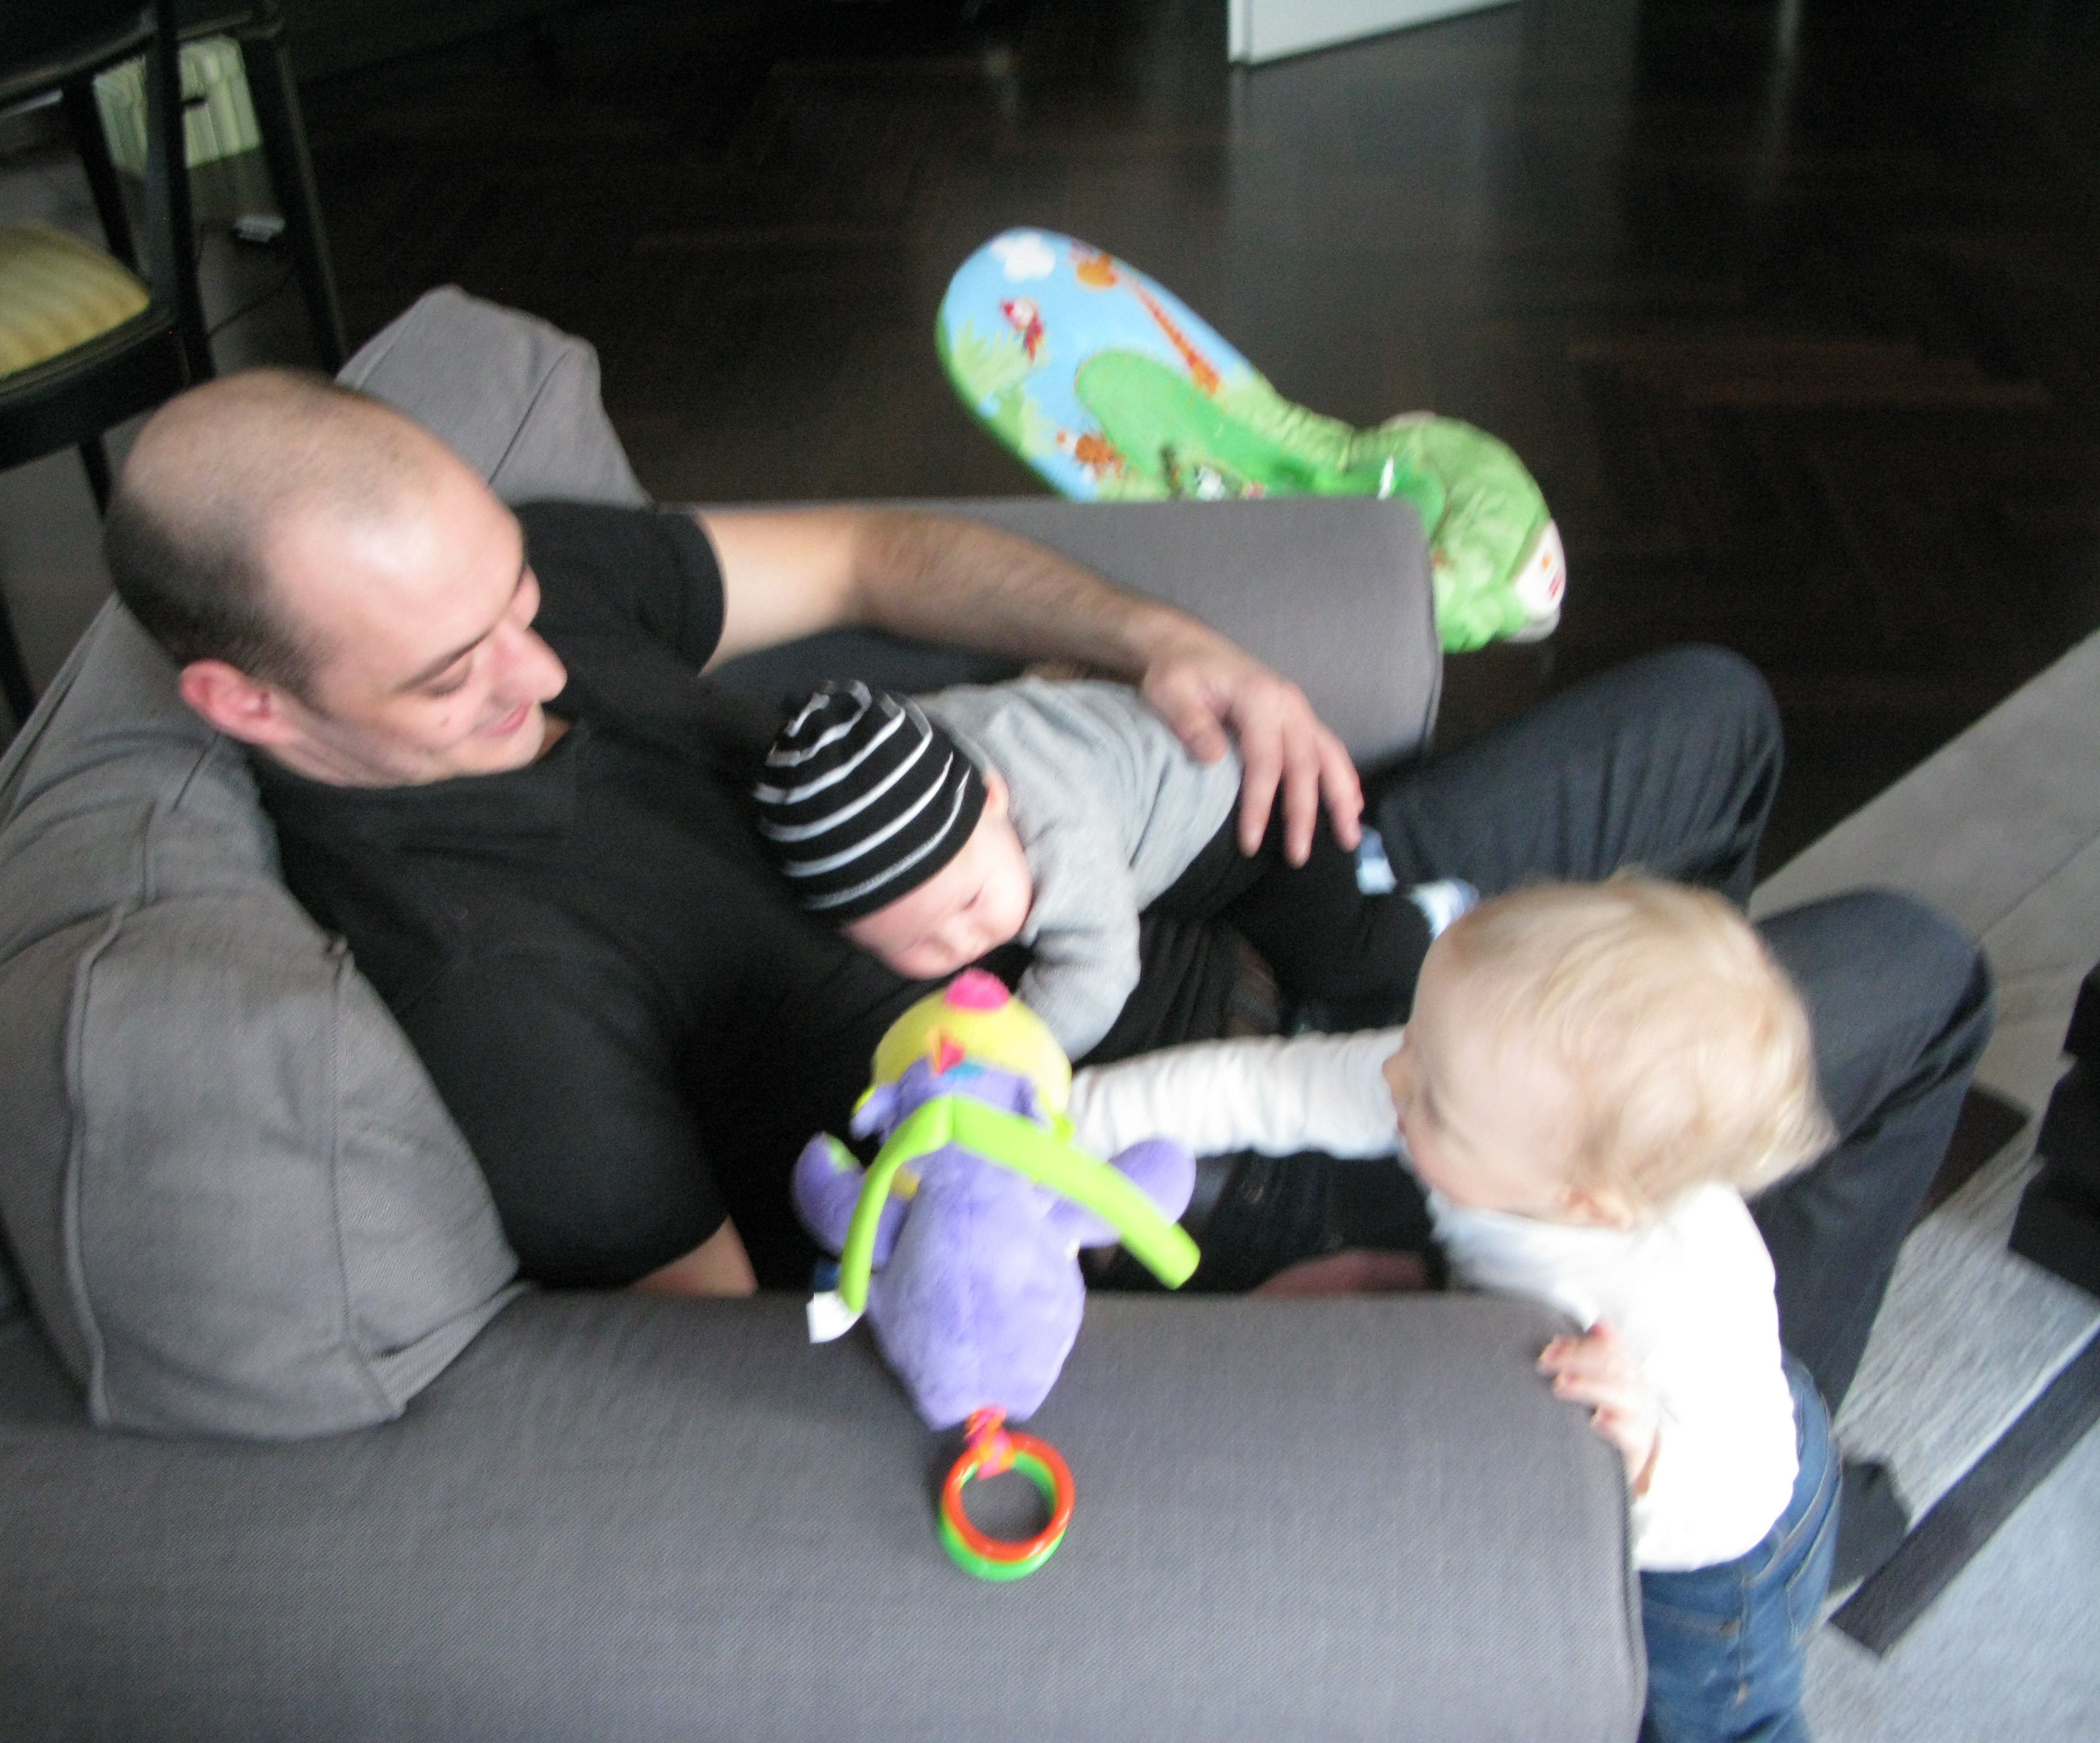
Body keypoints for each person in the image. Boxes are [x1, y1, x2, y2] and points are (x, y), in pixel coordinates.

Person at [105, 366, 1990, 1567]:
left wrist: (1167, 644)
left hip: (1262, 901)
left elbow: (873, 551)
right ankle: (1758, 1503)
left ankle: (1686, 1302)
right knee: (1915, 980)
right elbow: (730, 1369)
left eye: (521, 602)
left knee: (1714, 717)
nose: (539, 672)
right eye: (456, 674)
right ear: (243, 700)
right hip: (1215, 1170)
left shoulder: (514, 598)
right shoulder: (489, 991)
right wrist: (1200, 1349)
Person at [1069, 878, 1844, 1742]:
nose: (1391, 1076)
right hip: (1629, 1456)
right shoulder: (1460, 1083)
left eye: (1430, 1098)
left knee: (1721, 1722)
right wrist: (1069, 1124)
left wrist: (1647, 1470)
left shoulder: (1680, 1294)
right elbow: (1261, 1086)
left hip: (1716, 1543)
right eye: (1413, 1041)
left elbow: (1743, 1500)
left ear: (1583, 1200)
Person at [750, 676, 1475, 1059]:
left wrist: (1004, 1052)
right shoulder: (921, 748)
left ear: (995, 797)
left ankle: (1426, 913)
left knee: (1339, 964)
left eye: (968, 903)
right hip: (1154, 805)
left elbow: (1098, 973)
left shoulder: (1056, 834)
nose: (960, 943)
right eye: (913, 942)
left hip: (1256, 821)